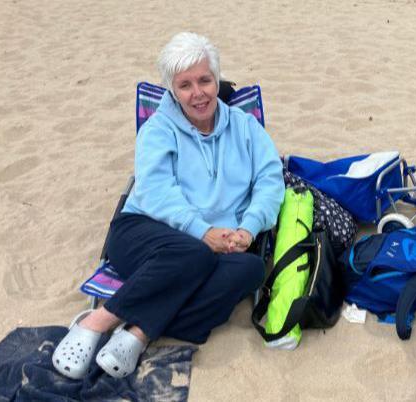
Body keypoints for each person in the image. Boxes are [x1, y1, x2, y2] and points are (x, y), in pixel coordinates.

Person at [53, 32, 285, 380]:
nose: (198, 93)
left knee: (250, 270)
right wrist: (201, 232)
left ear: (216, 79)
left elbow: (270, 181)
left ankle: (139, 332)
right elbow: (156, 190)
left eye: (205, 80)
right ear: (172, 91)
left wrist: (248, 229)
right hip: (144, 232)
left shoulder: (246, 128)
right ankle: (98, 321)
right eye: (185, 85)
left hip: (220, 244)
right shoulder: (158, 129)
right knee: (195, 255)